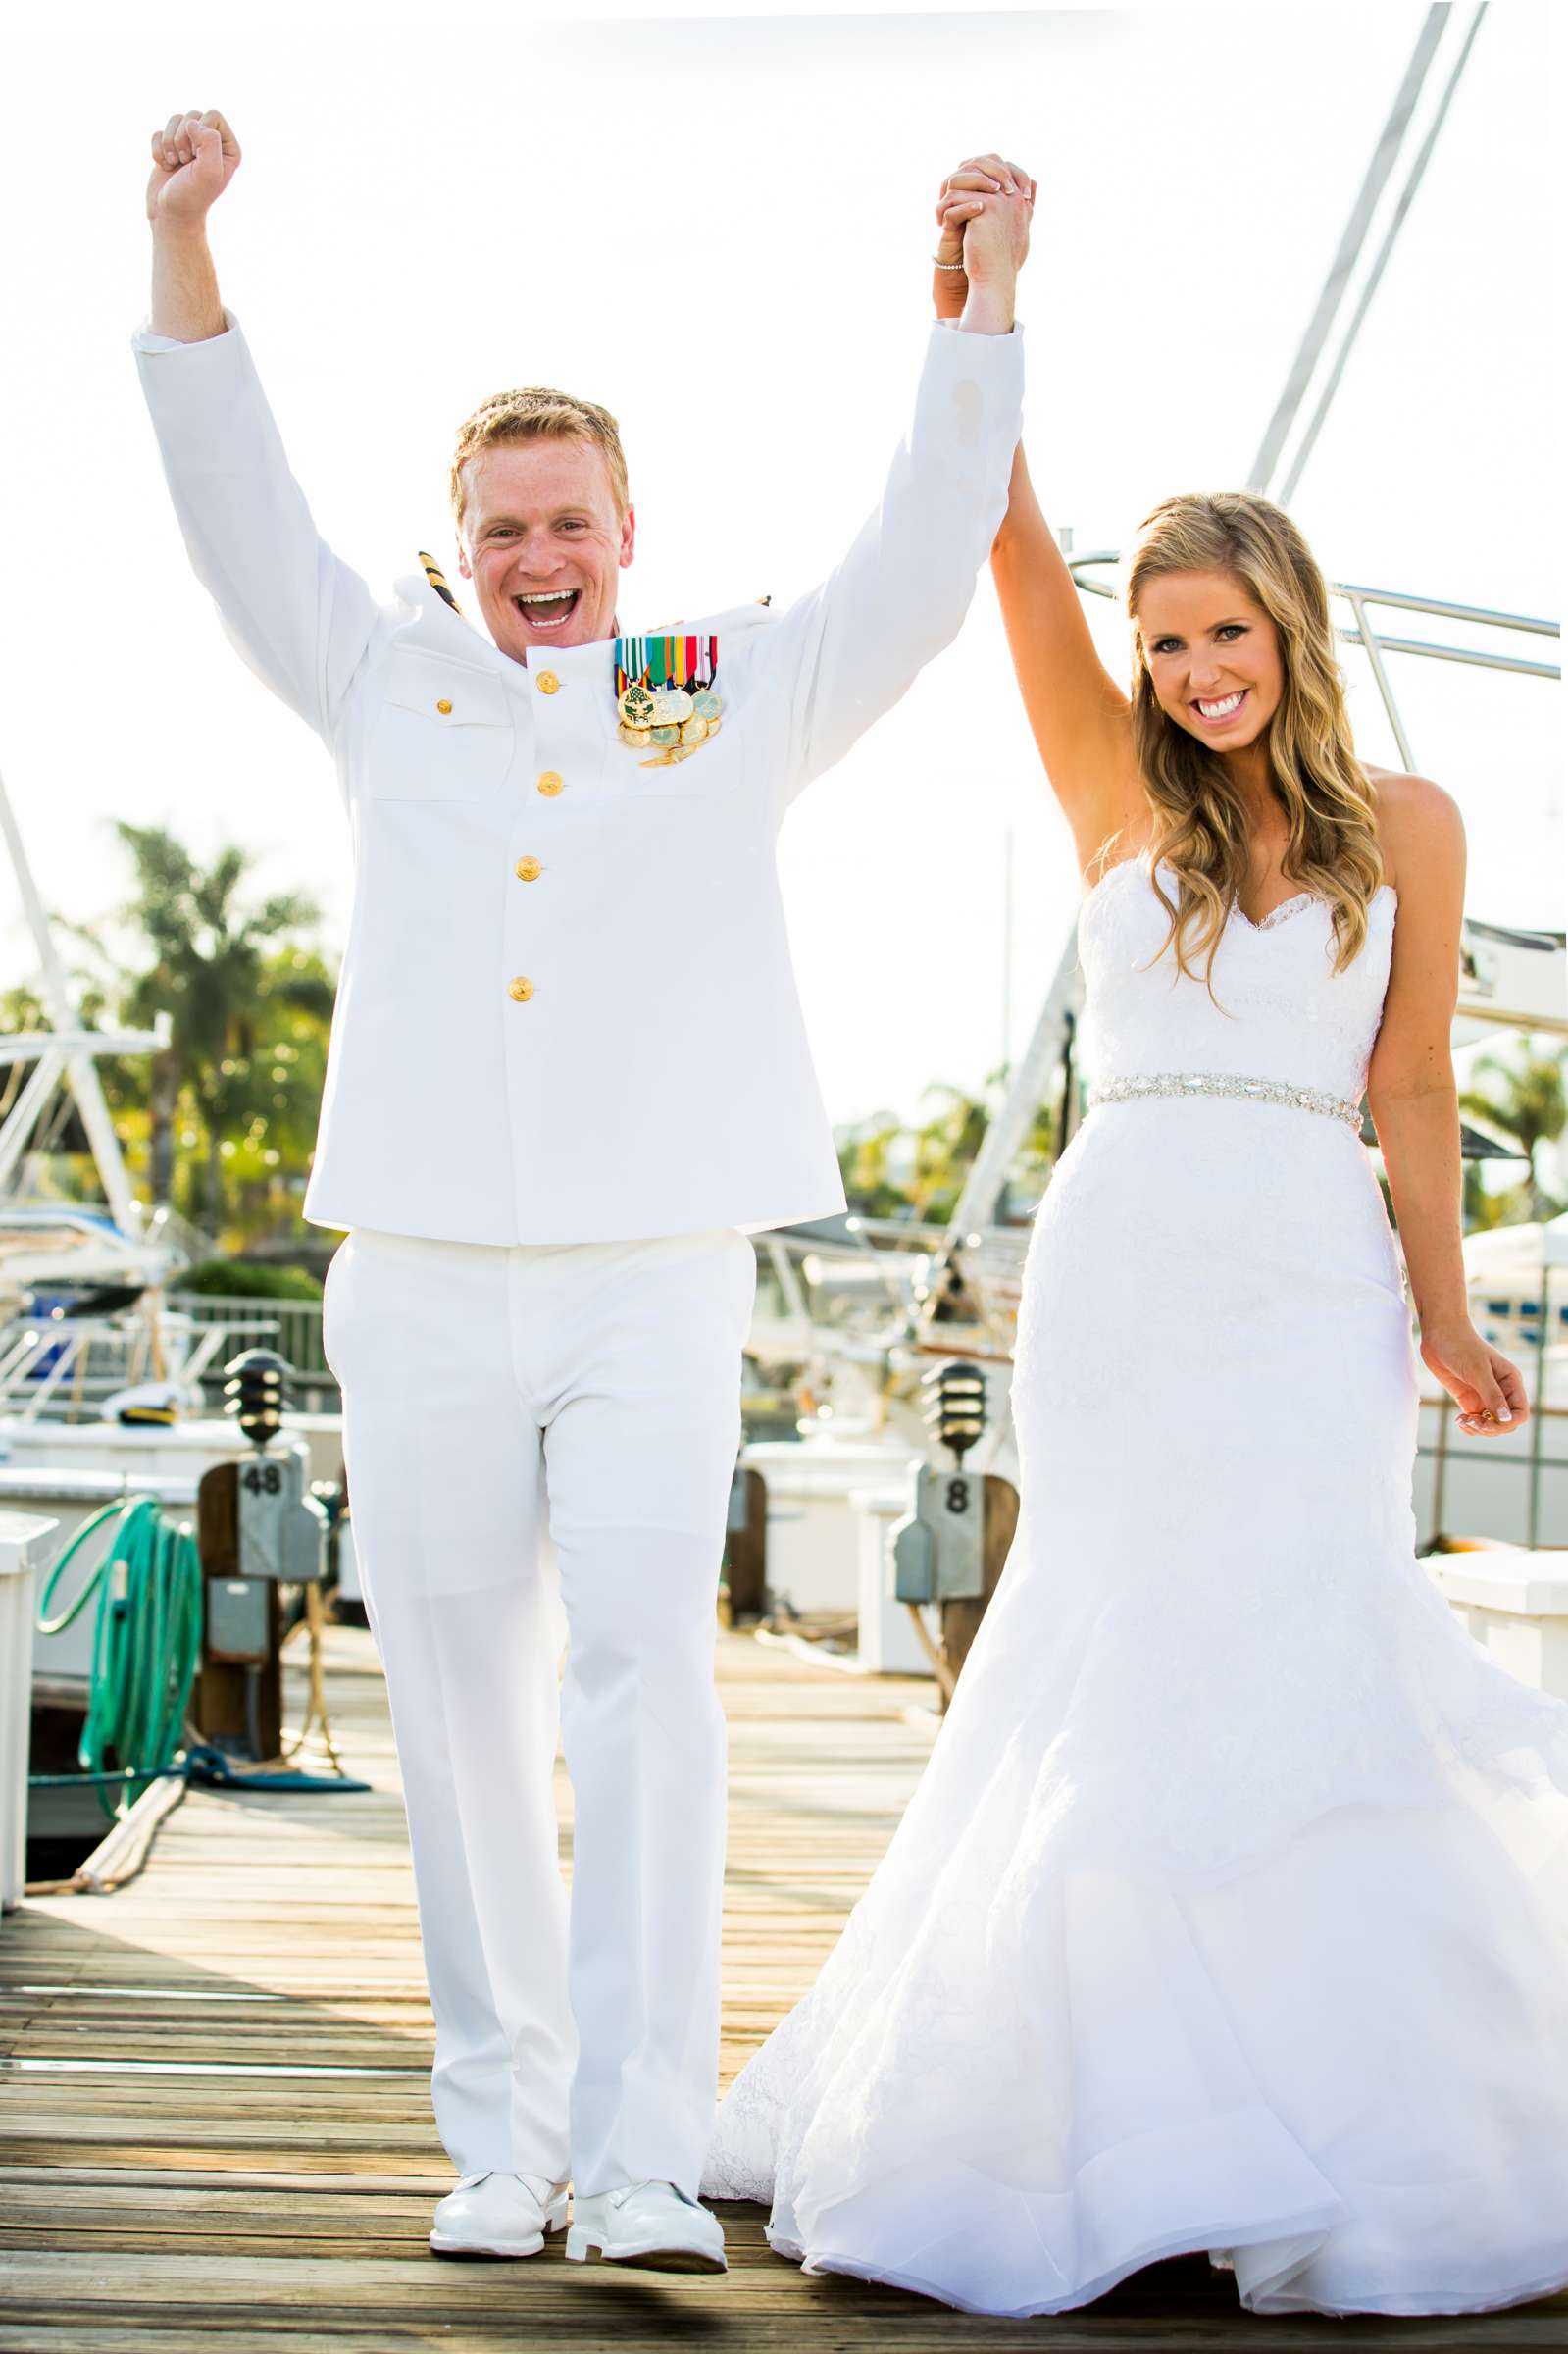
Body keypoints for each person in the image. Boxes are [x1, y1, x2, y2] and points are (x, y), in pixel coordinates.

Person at [134, 113, 1029, 2276]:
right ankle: (501, 2145)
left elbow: (917, 561)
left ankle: (635, 2154)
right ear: (457, 546)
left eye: (574, 521)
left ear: (631, 533)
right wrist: (181, 249)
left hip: (652, 1262)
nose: (543, 552)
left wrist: (981, 312)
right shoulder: (381, 674)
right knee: (451, 1707)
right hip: (422, 1267)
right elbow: (231, 501)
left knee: (644, 1675)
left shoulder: (711, 689)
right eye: (504, 524)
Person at [704, 165, 1568, 2321]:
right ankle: (1082, 2120)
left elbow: (1405, 1094)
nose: (1186, 669)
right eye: (1162, 636)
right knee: (1102, 1651)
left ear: (1289, 631)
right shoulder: (1107, 783)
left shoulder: (1414, 831)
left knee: (1295, 1645)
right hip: (1123, 1270)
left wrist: (1446, 1322)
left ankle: (1317, 2111)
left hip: (1308, 1286)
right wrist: (984, 302)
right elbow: (1002, 539)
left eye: (1220, 634)